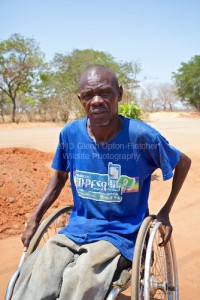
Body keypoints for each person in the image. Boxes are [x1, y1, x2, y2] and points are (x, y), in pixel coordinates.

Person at [12, 65, 191, 300]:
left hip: (121, 232)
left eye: (105, 93)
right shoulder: (71, 134)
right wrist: (34, 219)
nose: (96, 101)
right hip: (77, 228)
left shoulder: (140, 135)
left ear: (120, 93)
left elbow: (183, 162)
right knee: (38, 275)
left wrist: (165, 212)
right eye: (88, 96)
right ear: (80, 100)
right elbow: (59, 178)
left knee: (80, 278)